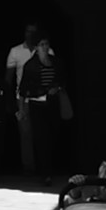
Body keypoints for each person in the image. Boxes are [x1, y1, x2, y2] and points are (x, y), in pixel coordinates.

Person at [20, 37, 71, 184]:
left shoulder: (56, 62)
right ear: (36, 47)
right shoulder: (30, 65)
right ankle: (45, 173)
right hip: (37, 105)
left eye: (46, 44)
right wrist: (22, 109)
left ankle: (53, 169)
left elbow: (63, 80)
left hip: (53, 104)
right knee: (42, 139)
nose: (44, 47)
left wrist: (57, 87)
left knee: (54, 135)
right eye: (41, 45)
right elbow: (23, 89)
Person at [6, 22, 42, 173]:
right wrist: (9, 100)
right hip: (22, 99)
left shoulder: (46, 49)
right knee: (26, 135)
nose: (31, 35)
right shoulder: (15, 52)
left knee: (42, 134)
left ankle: (43, 166)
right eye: (28, 31)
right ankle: (28, 167)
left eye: (34, 32)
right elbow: (9, 78)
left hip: (42, 99)